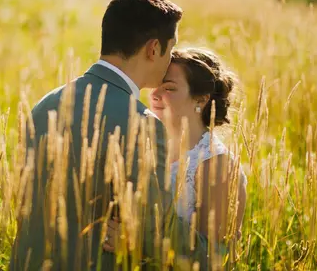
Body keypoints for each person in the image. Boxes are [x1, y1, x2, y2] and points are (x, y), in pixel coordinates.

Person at [9, 0, 183, 270]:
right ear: (153, 48)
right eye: (171, 49)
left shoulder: (46, 105)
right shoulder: (142, 125)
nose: (170, 60)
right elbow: (153, 233)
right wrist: (214, 249)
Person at [104, 48, 248, 269]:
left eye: (169, 88)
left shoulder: (217, 166)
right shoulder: (144, 149)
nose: (154, 95)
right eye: (155, 87)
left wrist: (134, 246)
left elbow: (214, 260)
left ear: (200, 99)